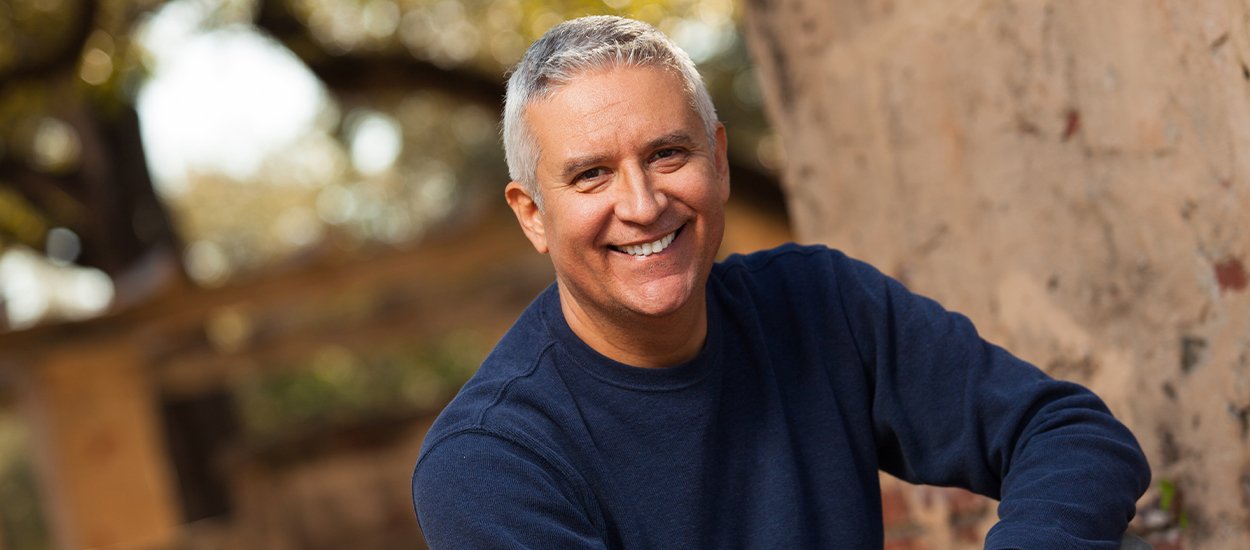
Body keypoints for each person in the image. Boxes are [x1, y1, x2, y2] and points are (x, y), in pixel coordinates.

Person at [411, 15, 1150, 549]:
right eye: (591, 174)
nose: (641, 205)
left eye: (668, 154)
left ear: (720, 161)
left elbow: (1069, 435)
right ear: (533, 215)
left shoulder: (819, 305)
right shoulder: (490, 464)